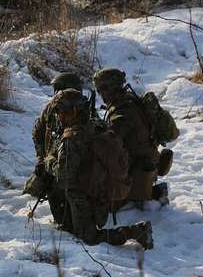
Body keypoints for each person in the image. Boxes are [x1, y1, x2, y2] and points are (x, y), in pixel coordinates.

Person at [45, 89, 152, 249]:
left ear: (73, 112)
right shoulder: (96, 125)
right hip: (100, 193)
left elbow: (64, 172)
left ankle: (137, 231)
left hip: (83, 196)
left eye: (61, 111)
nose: (58, 115)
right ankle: (71, 223)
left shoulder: (72, 138)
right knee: (73, 226)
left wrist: (49, 161)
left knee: (88, 238)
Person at [93, 68, 170, 205]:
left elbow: (109, 143)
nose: (100, 94)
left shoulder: (122, 113)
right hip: (149, 162)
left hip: (139, 170)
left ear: (110, 88)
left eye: (101, 89)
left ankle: (143, 193)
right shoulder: (130, 98)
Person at [25, 72, 84, 225]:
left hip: (74, 164)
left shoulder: (83, 112)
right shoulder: (52, 108)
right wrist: (41, 159)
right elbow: (37, 132)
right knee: (34, 187)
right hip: (54, 158)